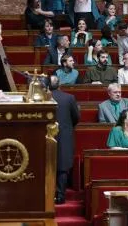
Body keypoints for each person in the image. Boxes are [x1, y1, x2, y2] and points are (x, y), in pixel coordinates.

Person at [49, 75, 80, 204]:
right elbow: (76, 117)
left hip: (46, 134)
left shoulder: (42, 98)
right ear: (59, 84)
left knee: (46, 165)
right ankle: (60, 196)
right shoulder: (69, 98)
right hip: (64, 135)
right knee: (62, 167)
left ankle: (46, 195)